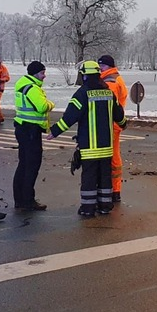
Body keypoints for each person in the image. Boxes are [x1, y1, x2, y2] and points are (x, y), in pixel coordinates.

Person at [47, 60, 127, 217]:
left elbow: (69, 117)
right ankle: (105, 206)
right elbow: (119, 116)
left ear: (84, 76)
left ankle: (88, 209)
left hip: (90, 147)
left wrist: (55, 131)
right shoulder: (108, 93)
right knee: (105, 177)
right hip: (106, 147)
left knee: (89, 177)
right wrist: (124, 125)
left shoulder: (82, 94)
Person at [12, 61, 52, 211]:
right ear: (35, 73)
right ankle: (28, 200)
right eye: (42, 73)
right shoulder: (32, 88)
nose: (44, 76)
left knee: (23, 165)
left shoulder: (23, 84)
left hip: (23, 128)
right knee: (31, 166)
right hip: (30, 131)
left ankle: (20, 200)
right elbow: (42, 107)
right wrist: (51, 104)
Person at [98, 54, 128, 203]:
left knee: (111, 158)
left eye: (101, 66)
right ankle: (115, 189)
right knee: (114, 156)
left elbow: (109, 106)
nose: (99, 69)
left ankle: (113, 189)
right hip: (115, 124)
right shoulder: (115, 78)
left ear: (108, 66)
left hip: (111, 125)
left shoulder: (110, 82)